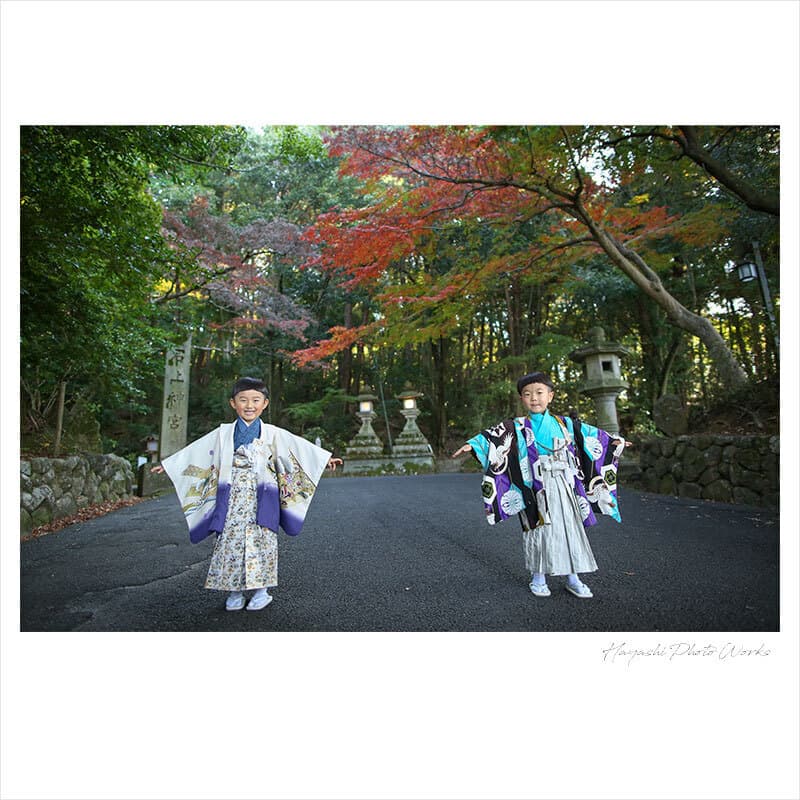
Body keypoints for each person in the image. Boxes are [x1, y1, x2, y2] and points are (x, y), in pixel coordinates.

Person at [152, 377, 342, 612]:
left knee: (262, 540)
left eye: (255, 400)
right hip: (230, 496)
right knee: (229, 541)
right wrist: (170, 465)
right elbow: (198, 451)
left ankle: (261, 592)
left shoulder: (272, 433)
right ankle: (234, 592)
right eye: (243, 400)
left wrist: (323, 460)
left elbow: (298, 449)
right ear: (233, 403)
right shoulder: (223, 433)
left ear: (265, 404)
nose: (249, 405)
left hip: (262, 497)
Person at [452, 371, 628, 599]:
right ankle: (538, 576)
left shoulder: (565, 424)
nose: (534, 398)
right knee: (537, 529)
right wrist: (474, 446)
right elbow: (491, 437)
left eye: (539, 392)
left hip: (565, 485)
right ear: (521, 399)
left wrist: (614, 442)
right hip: (533, 486)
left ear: (551, 396)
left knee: (570, 529)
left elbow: (593, 436)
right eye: (527, 394)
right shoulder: (516, 426)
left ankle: (573, 577)